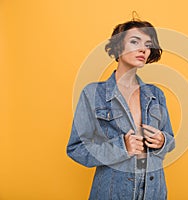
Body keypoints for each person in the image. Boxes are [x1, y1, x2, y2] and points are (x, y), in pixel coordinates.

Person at [66, 19, 175, 200]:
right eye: (135, 41)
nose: (143, 49)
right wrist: (120, 147)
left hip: (154, 191)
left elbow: (170, 140)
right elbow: (76, 148)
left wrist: (163, 141)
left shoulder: (157, 94)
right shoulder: (93, 94)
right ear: (118, 46)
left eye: (148, 45)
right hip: (112, 192)